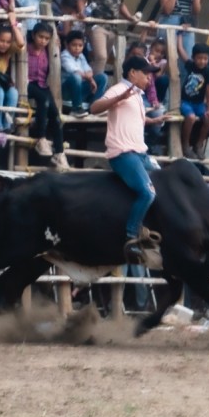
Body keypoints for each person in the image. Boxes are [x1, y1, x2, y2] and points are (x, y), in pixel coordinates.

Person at [89, 55, 161, 262]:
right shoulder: (119, 90)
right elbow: (94, 109)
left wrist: (153, 120)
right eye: (145, 74)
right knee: (147, 193)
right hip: (123, 154)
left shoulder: (137, 94)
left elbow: (132, 119)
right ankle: (130, 236)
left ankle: (147, 226)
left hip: (140, 154)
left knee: (164, 182)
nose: (149, 79)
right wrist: (119, 98)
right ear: (132, 73)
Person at [80, 0, 140, 75]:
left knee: (101, 59)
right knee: (101, 57)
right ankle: (96, 87)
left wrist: (129, 17)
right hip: (96, 25)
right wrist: (82, 14)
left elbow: (121, 4)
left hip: (112, 27)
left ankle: (88, 78)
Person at [27, 22, 68, 170]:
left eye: (46, 38)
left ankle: (59, 152)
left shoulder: (49, 51)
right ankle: (41, 138)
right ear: (33, 35)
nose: (43, 41)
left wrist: (57, 47)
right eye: (40, 37)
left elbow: (56, 61)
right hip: (27, 84)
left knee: (55, 115)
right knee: (43, 100)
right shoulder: (26, 48)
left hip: (42, 84)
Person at [180, 43, 209, 160]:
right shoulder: (190, 65)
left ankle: (199, 145)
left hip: (199, 104)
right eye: (199, 58)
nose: (202, 61)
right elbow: (182, 53)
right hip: (185, 102)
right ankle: (185, 145)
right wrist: (179, 39)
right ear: (194, 58)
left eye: (205, 59)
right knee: (190, 118)